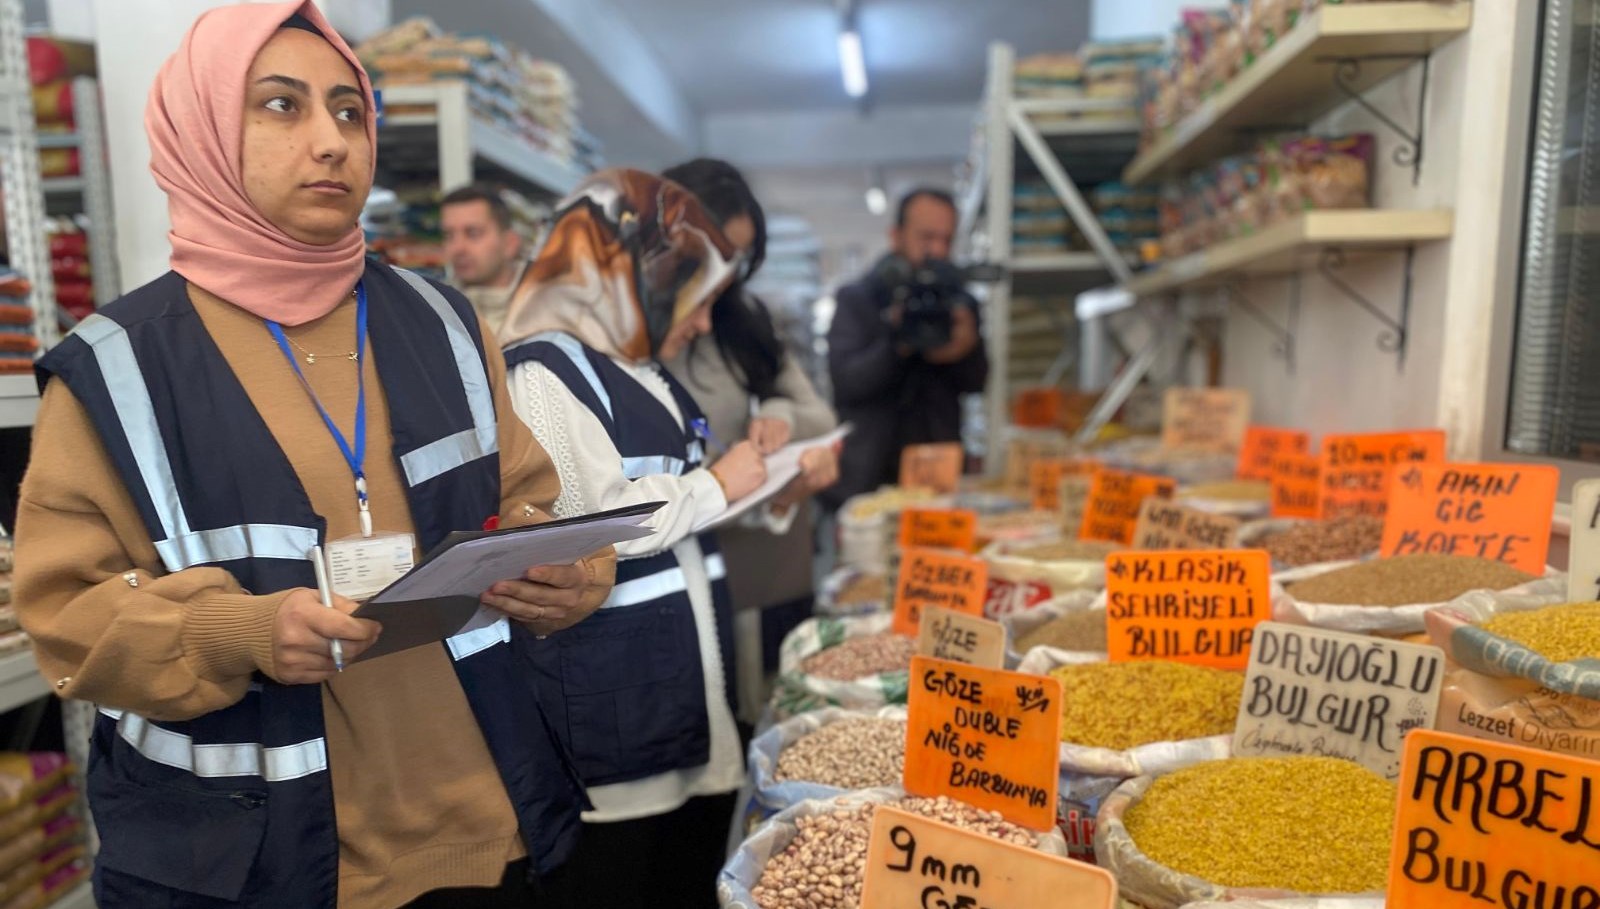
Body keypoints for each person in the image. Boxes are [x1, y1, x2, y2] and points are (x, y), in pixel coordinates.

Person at [13, 5, 615, 908]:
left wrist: (571, 570)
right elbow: (66, 613)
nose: (331, 141)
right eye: (281, 106)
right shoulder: (120, 365)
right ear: (204, 129)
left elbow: (527, 501)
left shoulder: (445, 323)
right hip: (252, 863)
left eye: (349, 110)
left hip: (486, 831)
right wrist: (241, 631)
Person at [497, 168, 764, 909]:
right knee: (623, 876)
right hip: (614, 702)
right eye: (698, 298)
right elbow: (589, 522)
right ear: (634, 274)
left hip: (671, 683)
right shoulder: (543, 370)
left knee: (681, 871)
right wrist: (717, 484)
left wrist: (752, 481)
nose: (704, 322)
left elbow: (678, 497)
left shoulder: (638, 368)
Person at [659, 158, 839, 719]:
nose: (727, 273)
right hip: (670, 567)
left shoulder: (743, 320)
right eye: (716, 253)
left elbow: (819, 413)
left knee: (758, 706)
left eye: (739, 257)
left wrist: (779, 412)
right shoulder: (630, 328)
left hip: (757, 558)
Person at [821, 188, 988, 510]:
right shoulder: (858, 299)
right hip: (867, 480)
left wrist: (966, 347)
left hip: (937, 480)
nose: (937, 250)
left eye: (946, 240)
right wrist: (898, 342)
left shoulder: (959, 303)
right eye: (927, 237)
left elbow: (977, 382)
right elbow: (848, 383)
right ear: (896, 236)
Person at [441, 184, 524, 333]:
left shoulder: (548, 311)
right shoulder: (436, 311)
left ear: (510, 243)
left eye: (473, 233)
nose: (458, 248)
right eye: (449, 236)